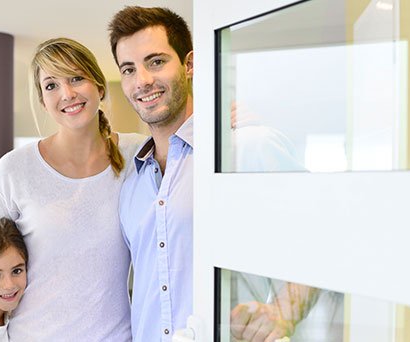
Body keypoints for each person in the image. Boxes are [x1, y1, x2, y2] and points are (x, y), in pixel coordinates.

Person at [108, 6, 318, 342]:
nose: (142, 80)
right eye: (129, 69)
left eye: (156, 61)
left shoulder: (245, 148)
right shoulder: (129, 181)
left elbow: (320, 235)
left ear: (189, 64)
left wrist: (282, 313)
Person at [0, 37, 145, 341]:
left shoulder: (139, 153)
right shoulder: (16, 168)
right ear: (42, 100)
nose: (67, 93)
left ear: (100, 86)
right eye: (51, 85)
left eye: (76, 78)